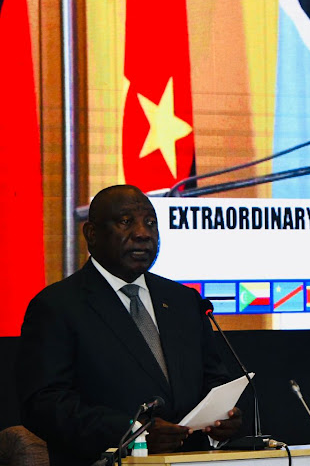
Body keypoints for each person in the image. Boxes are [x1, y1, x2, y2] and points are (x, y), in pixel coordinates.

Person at [17, 185, 243, 466]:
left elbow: (214, 380)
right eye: (126, 222)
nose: (143, 233)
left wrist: (223, 422)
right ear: (91, 234)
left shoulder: (184, 301)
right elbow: (44, 404)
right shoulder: (57, 306)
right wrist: (134, 432)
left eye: (151, 223)